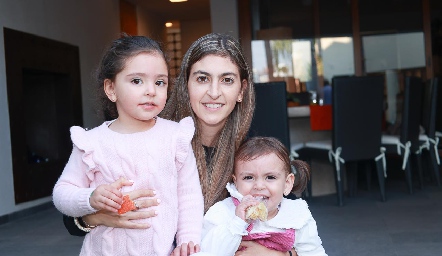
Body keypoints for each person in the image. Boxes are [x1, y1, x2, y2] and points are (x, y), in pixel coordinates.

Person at [62, 33, 298, 255]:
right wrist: (99, 217)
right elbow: (71, 214)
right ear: (185, 85)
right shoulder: (159, 136)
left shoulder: (256, 156)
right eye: (202, 78)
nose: (214, 92)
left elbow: (292, 226)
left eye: (227, 80)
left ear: (241, 90)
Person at [52, 35, 204, 256]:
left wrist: (187, 240)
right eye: (137, 81)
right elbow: (62, 193)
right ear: (111, 89)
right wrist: (90, 198)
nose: (151, 90)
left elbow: (189, 196)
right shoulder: (92, 143)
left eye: (160, 82)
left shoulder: (175, 137)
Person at [199, 137, 327, 256]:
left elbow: (314, 253)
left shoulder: (297, 216)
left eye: (270, 177)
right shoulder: (223, 212)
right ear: (236, 182)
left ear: (287, 184)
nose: (259, 186)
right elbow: (208, 251)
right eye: (248, 177)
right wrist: (237, 223)